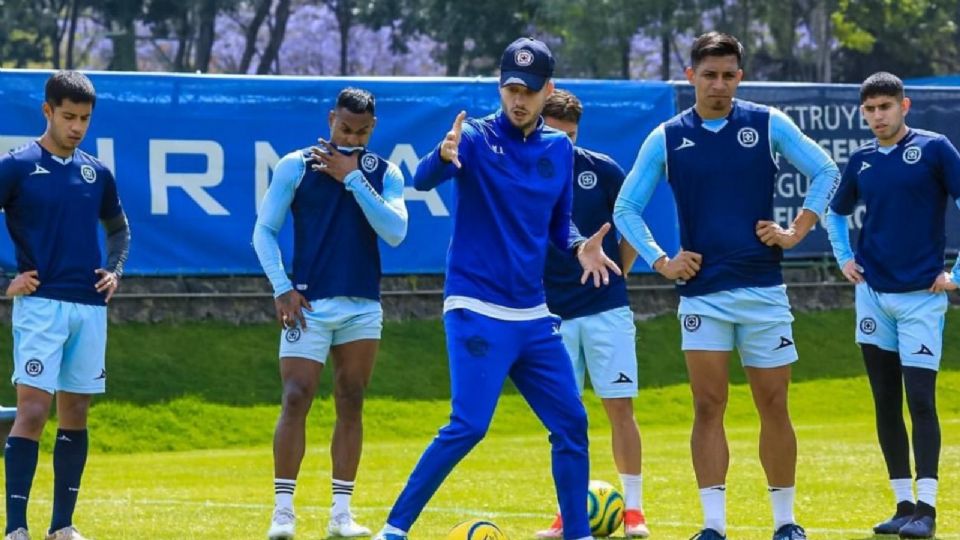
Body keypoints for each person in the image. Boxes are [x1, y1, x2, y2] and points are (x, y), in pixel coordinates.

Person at [372, 37, 620, 540]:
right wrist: (441, 157)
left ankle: (579, 534)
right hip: (475, 307)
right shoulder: (475, 137)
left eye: (529, 89)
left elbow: (559, 225)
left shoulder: (558, 149)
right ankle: (393, 530)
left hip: (532, 315)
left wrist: (579, 248)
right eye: (510, 87)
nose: (519, 98)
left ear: (548, 90)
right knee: (469, 425)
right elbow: (421, 179)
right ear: (500, 86)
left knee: (572, 425)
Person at [613, 32, 840, 540]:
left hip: (763, 291)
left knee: (774, 404)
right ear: (691, 76)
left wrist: (797, 230)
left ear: (740, 76)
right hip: (702, 296)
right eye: (709, 75)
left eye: (729, 75)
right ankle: (713, 526)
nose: (719, 84)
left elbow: (826, 170)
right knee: (708, 405)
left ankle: (785, 522)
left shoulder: (766, 124)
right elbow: (625, 208)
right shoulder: (666, 137)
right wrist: (662, 261)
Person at [253, 87, 408, 539]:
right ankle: (283, 512)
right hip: (309, 305)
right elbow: (264, 231)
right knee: (296, 395)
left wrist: (354, 176)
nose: (352, 139)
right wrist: (282, 288)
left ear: (373, 129)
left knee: (352, 397)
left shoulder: (386, 173)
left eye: (361, 133)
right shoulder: (295, 166)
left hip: (362, 304)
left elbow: (396, 232)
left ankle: (341, 514)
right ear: (330, 120)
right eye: (344, 128)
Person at [824, 72, 960, 539]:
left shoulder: (936, 148)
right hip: (873, 297)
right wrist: (844, 259)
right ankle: (903, 505)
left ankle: (928, 508)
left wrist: (956, 274)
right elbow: (836, 213)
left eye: (886, 106)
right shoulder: (860, 162)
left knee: (920, 400)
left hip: (923, 298)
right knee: (885, 402)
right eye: (870, 109)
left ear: (905, 105)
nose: (878, 116)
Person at [1, 71, 131, 540]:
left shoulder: (98, 173)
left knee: (76, 413)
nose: (77, 127)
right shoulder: (15, 166)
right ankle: (16, 528)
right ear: (47, 111)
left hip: (89, 308)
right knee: (33, 411)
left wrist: (114, 269)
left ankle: (62, 526)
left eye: (85, 119)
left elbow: (119, 229)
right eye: (69, 116)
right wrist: (6, 281)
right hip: (40, 306)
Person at [536, 89, 649, 539]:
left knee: (620, 409)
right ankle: (568, 515)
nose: (562, 145)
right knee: (564, 418)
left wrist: (616, 273)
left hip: (606, 311)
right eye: (553, 135)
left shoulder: (602, 169)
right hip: (550, 314)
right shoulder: (523, 172)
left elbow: (634, 225)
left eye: (571, 136)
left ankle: (635, 512)